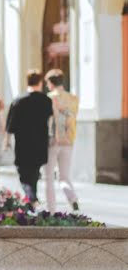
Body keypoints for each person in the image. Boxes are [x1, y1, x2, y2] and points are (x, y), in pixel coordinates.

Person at [5, 69, 53, 203]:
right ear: (40, 82)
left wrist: (7, 141)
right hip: (40, 142)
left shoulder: (18, 101)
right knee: (35, 172)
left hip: (23, 143)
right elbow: (50, 121)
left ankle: (31, 196)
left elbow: (10, 125)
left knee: (24, 174)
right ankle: (32, 196)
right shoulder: (46, 101)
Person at [44, 69, 80, 211]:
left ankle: (51, 210)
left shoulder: (49, 97)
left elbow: (47, 120)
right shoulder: (73, 98)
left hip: (52, 141)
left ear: (51, 83)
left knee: (48, 178)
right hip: (69, 140)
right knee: (64, 176)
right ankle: (72, 198)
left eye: (47, 83)